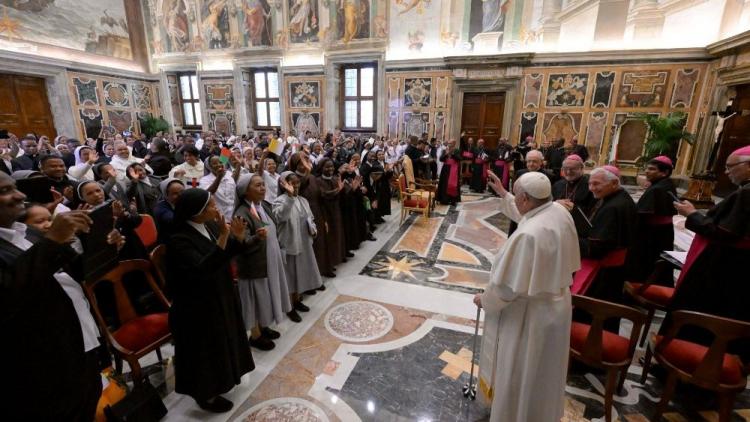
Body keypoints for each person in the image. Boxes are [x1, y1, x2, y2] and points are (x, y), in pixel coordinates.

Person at [0, 172, 124, 421]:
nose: (20, 195)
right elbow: (9, 296)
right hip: (42, 368)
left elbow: (75, 273)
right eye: (5, 191)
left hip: (81, 341)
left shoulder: (29, 234)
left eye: (14, 187)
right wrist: (53, 240)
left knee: (88, 401)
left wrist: (105, 245)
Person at [475, 171, 580, 422]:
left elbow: (507, 289)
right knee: (545, 374)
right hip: (556, 308)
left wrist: (485, 301)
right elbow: (526, 215)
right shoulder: (557, 211)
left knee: (522, 372)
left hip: (528, 315)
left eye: (516, 195)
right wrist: (503, 193)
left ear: (524, 198)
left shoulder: (527, 235)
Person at [167, 188, 254, 413]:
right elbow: (201, 268)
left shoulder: (209, 226)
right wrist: (226, 237)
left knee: (222, 340)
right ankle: (205, 394)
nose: (216, 208)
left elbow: (223, 256)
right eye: (211, 205)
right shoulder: (179, 239)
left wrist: (237, 238)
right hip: (196, 304)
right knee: (204, 349)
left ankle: (225, 378)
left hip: (218, 292)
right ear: (196, 212)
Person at [668, 146, 750, 360]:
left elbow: (724, 232)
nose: (727, 172)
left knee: (700, 313)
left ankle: (686, 362)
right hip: (740, 268)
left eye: (731, 167)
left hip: (723, 267)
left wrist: (692, 214)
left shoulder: (746, 193)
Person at [234, 173, 295, 352]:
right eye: (258, 185)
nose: (263, 188)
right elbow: (241, 243)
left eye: (263, 184)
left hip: (269, 260)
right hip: (254, 265)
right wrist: (256, 238)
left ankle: (263, 326)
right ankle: (255, 335)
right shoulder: (242, 213)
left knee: (266, 296)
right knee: (255, 300)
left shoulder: (263, 206)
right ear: (245, 191)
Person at [579, 166, 637, 328]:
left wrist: (573, 239)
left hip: (603, 273)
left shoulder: (613, 207)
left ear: (614, 182)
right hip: (614, 269)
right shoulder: (620, 198)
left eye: (596, 184)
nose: (591, 189)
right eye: (590, 184)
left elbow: (596, 248)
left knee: (593, 315)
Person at [272, 172, 322, 314]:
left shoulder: (303, 200)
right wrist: (289, 197)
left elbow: (310, 218)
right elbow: (280, 217)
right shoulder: (280, 201)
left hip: (304, 242)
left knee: (299, 273)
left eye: (297, 183)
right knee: (290, 276)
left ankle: (297, 300)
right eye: (292, 183)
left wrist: (314, 229)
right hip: (289, 244)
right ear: (284, 185)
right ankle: (289, 308)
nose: (296, 186)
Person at [632, 155, 677, 281]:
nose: (647, 171)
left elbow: (642, 214)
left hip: (651, 234)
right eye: (647, 168)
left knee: (648, 263)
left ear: (665, 172)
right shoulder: (666, 183)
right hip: (664, 231)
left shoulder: (657, 189)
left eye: (652, 169)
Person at [551, 154, 596, 223]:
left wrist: (574, 209)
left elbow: (593, 211)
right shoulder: (558, 184)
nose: (568, 172)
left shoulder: (591, 186)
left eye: (572, 169)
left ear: (581, 168)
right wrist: (555, 203)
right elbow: (549, 204)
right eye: (565, 169)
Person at [199, 156, 238, 221]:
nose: (219, 165)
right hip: (219, 218)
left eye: (220, 162)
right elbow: (208, 194)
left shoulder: (229, 174)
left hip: (234, 215)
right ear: (209, 166)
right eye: (214, 163)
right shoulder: (204, 180)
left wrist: (238, 166)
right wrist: (219, 177)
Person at [154, 178, 185, 244]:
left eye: (182, 192)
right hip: (169, 243)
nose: (180, 195)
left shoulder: (182, 202)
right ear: (166, 195)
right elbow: (176, 222)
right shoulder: (161, 209)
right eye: (175, 193)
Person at [436, 139, 462, 205]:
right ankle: (444, 199)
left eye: (451, 143)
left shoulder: (457, 150)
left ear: (454, 144)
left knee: (453, 185)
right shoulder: (445, 150)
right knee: (445, 184)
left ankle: (453, 200)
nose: (449, 144)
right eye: (449, 143)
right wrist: (446, 154)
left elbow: (459, 159)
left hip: (454, 170)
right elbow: (441, 159)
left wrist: (452, 154)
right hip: (446, 170)